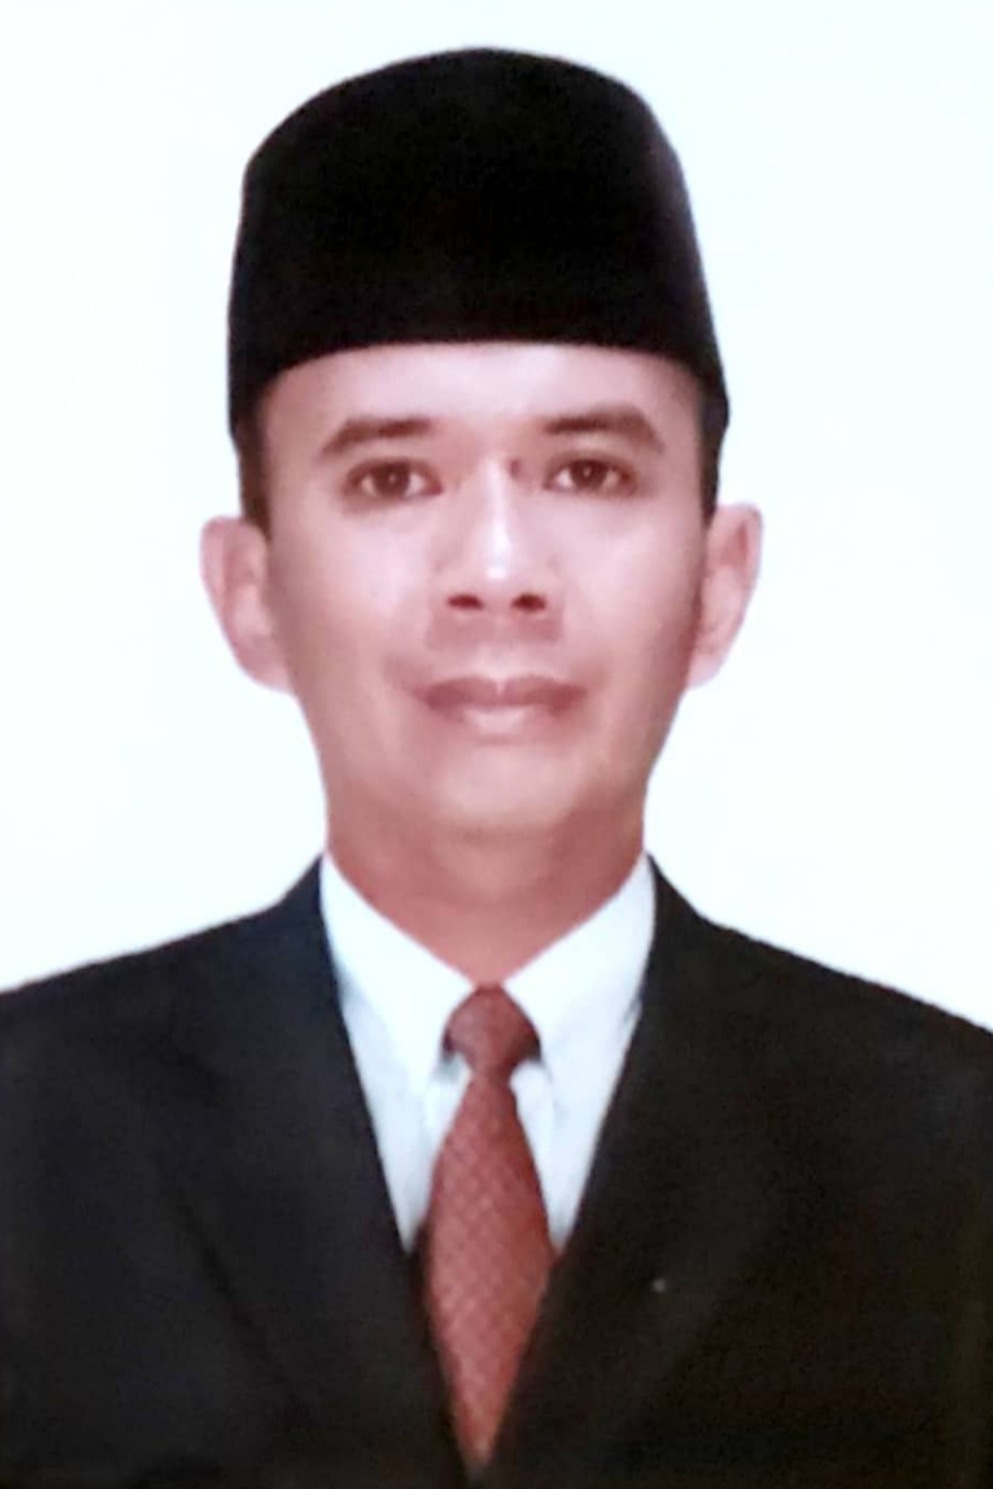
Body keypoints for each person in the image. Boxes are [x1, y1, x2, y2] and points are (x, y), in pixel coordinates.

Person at [1, 45, 991, 1489]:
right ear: (250, 592)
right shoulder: (29, 1138)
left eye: (588, 471)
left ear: (719, 582)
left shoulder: (952, 1162)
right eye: (391, 478)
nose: (499, 568)